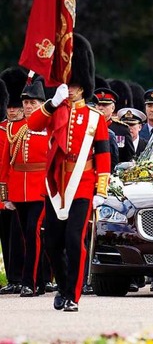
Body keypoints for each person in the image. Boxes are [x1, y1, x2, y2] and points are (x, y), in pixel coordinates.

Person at [27, 34, 111, 312]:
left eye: (75, 85)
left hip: (83, 184)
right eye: (68, 85)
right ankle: (63, 286)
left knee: (75, 240)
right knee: (51, 240)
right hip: (56, 185)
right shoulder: (56, 111)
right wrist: (52, 103)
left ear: (84, 86)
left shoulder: (95, 118)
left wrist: (101, 191)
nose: (71, 89)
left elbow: (103, 156)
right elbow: (33, 124)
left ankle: (73, 296)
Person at [0, 77, 50, 296]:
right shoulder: (15, 128)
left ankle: (31, 281)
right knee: (24, 234)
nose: (29, 107)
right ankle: (34, 280)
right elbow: (5, 163)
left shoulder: (50, 127)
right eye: (26, 103)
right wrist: (5, 195)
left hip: (41, 188)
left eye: (33, 103)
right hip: (19, 189)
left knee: (33, 232)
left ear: (42, 104)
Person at [0, 67, 27, 295]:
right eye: (9, 106)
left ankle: (27, 277)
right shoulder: (2, 129)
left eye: (16, 107)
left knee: (23, 235)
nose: (12, 110)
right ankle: (12, 277)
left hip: (23, 190)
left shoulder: (31, 128)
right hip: (3, 192)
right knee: (6, 237)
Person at [94, 87, 135, 164]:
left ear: (113, 108)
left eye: (105, 105)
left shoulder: (122, 129)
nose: (101, 108)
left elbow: (129, 157)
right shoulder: (89, 126)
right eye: (98, 105)